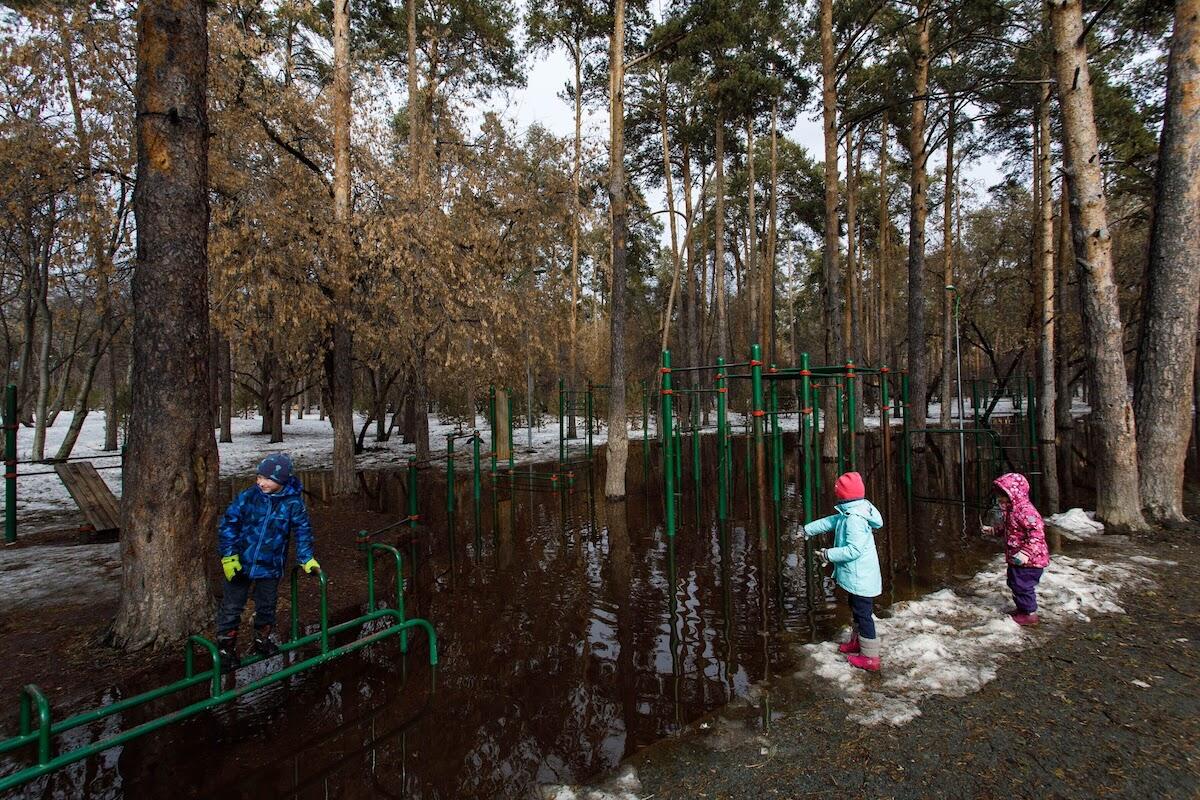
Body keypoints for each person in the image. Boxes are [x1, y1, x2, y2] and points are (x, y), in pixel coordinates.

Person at [216, 453, 319, 671]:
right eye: (259, 477)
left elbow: (303, 531)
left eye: (267, 479)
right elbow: (228, 524)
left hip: (270, 565)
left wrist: (306, 558)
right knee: (232, 606)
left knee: (266, 605)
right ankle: (225, 649)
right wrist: (228, 556)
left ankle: (262, 639)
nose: (261, 482)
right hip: (240, 562)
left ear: (282, 480)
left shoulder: (293, 503)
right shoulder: (249, 497)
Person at [800, 471, 885, 672]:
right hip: (858, 576)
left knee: (864, 615)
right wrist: (808, 529)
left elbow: (853, 550)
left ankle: (870, 657)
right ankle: (858, 642)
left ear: (843, 495)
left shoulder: (854, 519)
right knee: (856, 609)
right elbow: (831, 521)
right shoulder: (854, 510)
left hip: (861, 577)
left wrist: (828, 554)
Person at [981, 473, 1049, 626]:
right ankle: (1022, 609)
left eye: (1003, 496)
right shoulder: (1011, 511)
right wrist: (992, 530)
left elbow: (1037, 533)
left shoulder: (1025, 511)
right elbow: (1009, 529)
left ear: (1013, 494)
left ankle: (1029, 614)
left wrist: (1026, 552)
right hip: (1016, 559)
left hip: (1030, 560)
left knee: (1023, 585)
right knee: (1015, 582)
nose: (1000, 500)